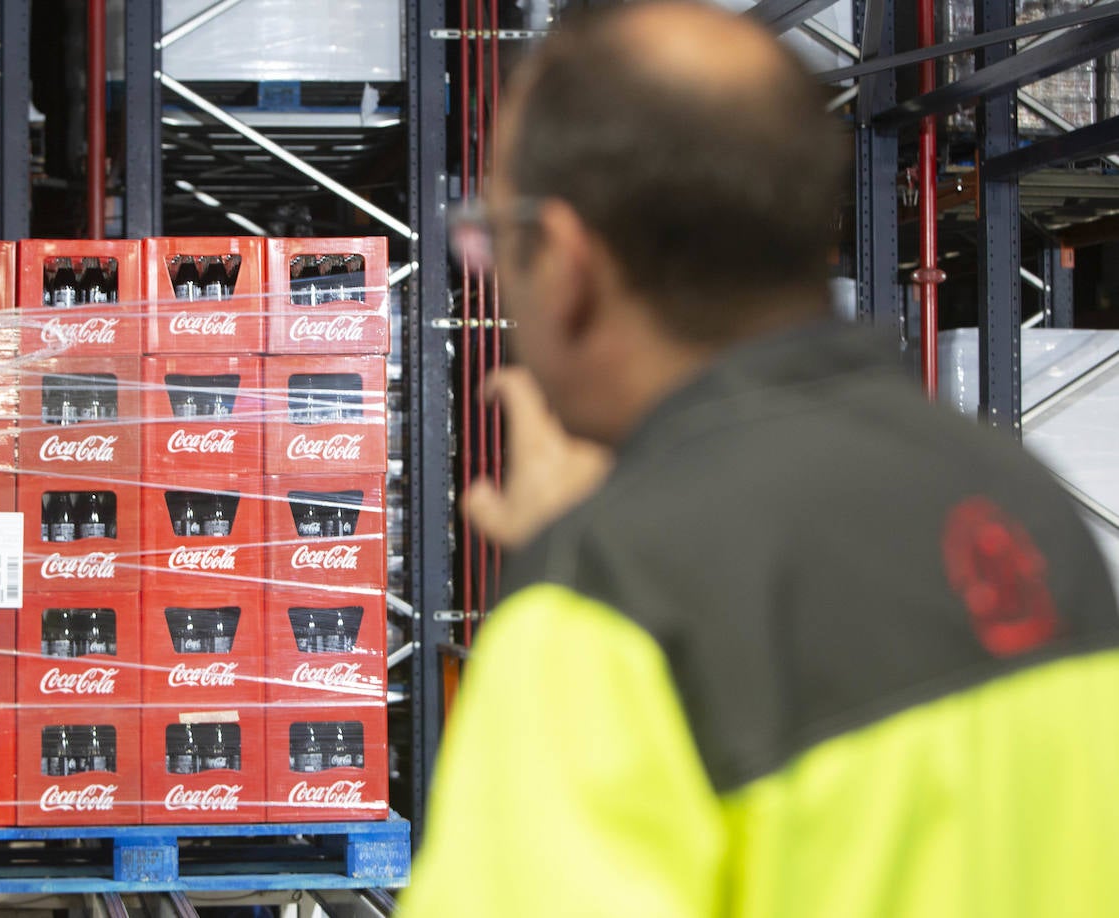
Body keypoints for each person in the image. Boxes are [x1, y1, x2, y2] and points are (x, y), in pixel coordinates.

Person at [397, 3, 1119, 916]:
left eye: (494, 242)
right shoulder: (1027, 510)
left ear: (570, 264)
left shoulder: (612, 602)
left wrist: (576, 564)